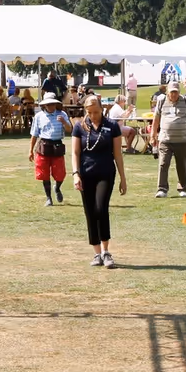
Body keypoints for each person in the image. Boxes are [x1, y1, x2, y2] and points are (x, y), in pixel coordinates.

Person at [71, 94, 126, 267]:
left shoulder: (112, 126)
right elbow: (75, 153)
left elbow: (117, 154)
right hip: (86, 174)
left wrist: (123, 178)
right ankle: (96, 253)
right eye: (90, 112)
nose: (93, 115)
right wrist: (75, 174)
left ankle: (106, 251)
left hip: (105, 173)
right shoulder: (79, 126)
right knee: (90, 212)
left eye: (96, 112)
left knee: (101, 208)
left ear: (102, 109)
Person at [28, 91, 74, 206]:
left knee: (60, 173)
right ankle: (48, 198)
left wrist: (64, 122)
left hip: (57, 145)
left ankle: (57, 187)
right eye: (48, 104)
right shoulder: (39, 117)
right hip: (43, 146)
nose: (51, 106)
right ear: (44, 105)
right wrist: (30, 150)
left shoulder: (62, 114)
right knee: (44, 173)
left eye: (52, 104)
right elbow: (34, 134)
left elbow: (69, 130)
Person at [150, 82, 186, 198]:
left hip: (183, 139)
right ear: (167, 92)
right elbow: (156, 118)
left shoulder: (185, 101)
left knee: (182, 165)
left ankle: (183, 188)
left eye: (176, 92)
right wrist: (153, 134)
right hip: (165, 139)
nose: (174, 94)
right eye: (171, 92)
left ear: (179, 92)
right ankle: (162, 189)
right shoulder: (161, 101)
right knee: (163, 164)